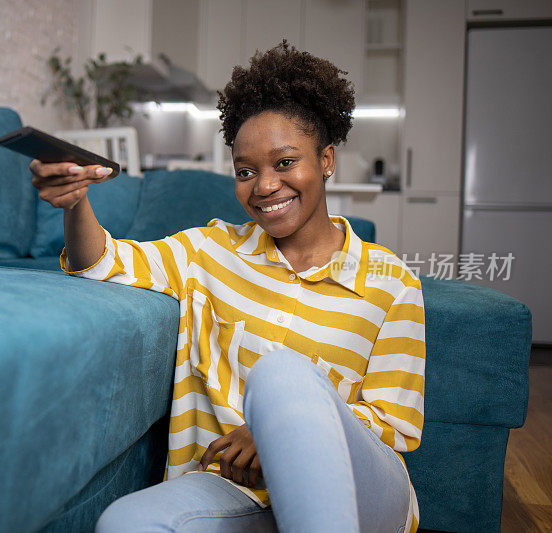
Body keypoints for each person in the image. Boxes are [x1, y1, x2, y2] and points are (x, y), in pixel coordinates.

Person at [30, 40, 425, 533]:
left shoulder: (392, 284)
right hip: (234, 493)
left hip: (360, 493)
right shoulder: (208, 253)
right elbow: (104, 262)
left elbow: (396, 422)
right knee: (126, 523)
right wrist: (74, 203)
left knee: (281, 376)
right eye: (245, 171)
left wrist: (284, 431)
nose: (263, 186)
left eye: (284, 163)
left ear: (326, 159)